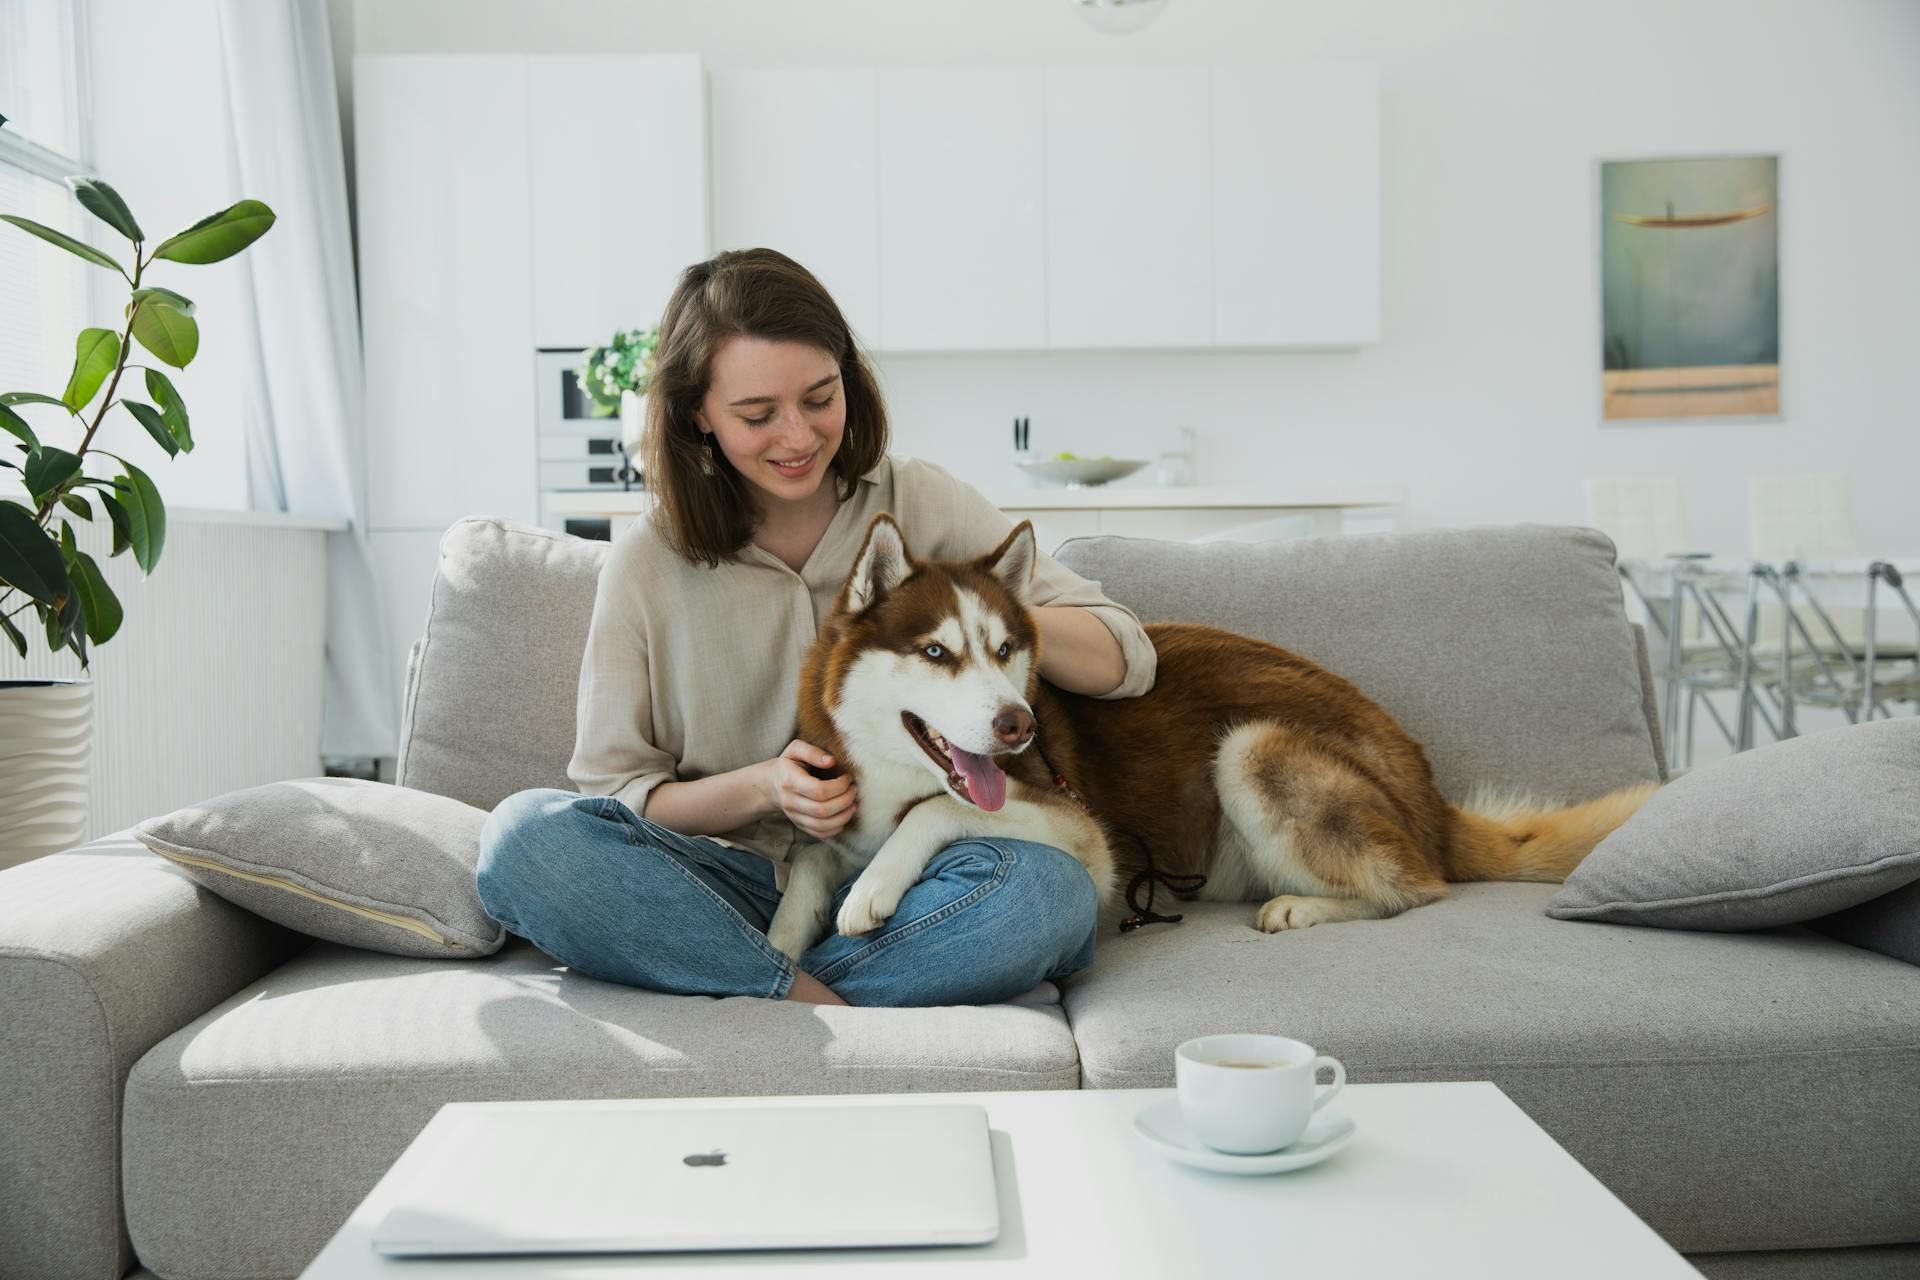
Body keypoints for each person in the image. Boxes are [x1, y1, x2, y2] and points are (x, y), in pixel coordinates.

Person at [475, 248, 1157, 1007]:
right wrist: (766, 788)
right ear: (698, 412)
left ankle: (765, 994)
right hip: (724, 885)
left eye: (819, 398)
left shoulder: (922, 501)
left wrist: (976, 609)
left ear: (847, 379)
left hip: (918, 875)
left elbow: (1124, 657)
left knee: (1046, 895)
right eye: (757, 415)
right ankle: (812, 997)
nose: (797, 437)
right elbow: (620, 793)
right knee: (522, 839)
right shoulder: (645, 566)